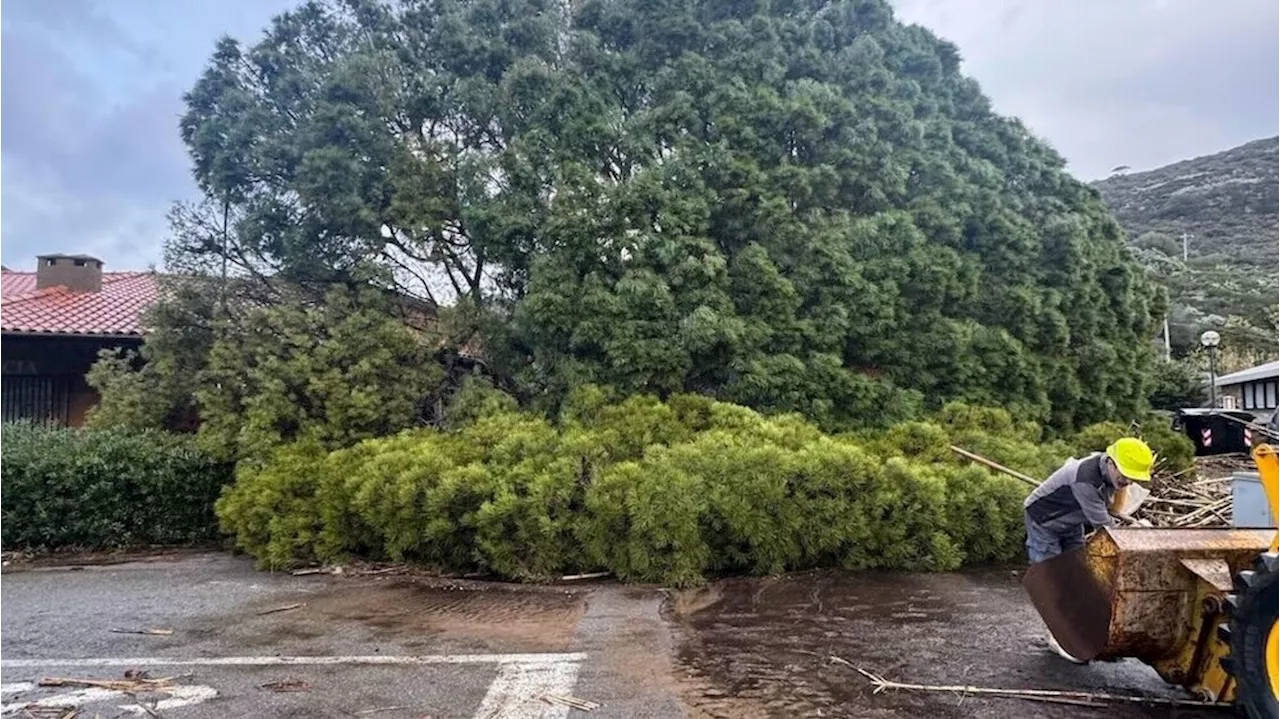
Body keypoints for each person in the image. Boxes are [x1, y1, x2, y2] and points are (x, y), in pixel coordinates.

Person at [1023, 436, 1155, 662]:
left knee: (1077, 575)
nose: (1127, 482)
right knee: (1052, 580)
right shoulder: (1085, 480)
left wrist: (1134, 523)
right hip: (1043, 522)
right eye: (1124, 475)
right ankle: (1057, 638)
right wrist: (1138, 535)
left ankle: (1078, 631)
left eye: (1132, 478)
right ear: (1111, 463)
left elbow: (1114, 507)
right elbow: (1106, 530)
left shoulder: (1107, 470)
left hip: (1072, 520)